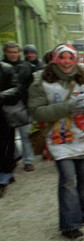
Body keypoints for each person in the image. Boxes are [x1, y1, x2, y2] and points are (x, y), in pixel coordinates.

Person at [28, 44, 84, 241]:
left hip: (83, 136)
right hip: (59, 139)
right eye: (63, 57)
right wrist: (66, 108)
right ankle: (70, 225)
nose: (67, 62)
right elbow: (36, 111)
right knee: (68, 180)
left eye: (70, 57)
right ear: (55, 59)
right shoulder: (41, 81)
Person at [3, 41, 35, 172]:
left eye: (15, 52)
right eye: (10, 52)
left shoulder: (26, 66)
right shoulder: (2, 67)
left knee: (25, 135)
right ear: (5, 52)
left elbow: (32, 86)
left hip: (22, 104)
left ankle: (28, 161)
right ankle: (13, 158)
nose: (13, 55)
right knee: (7, 137)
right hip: (5, 105)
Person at [0, 58, 21, 197]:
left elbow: (16, 89)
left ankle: (3, 179)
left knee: (4, 146)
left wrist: (1, 96)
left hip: (4, 115)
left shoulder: (6, 69)